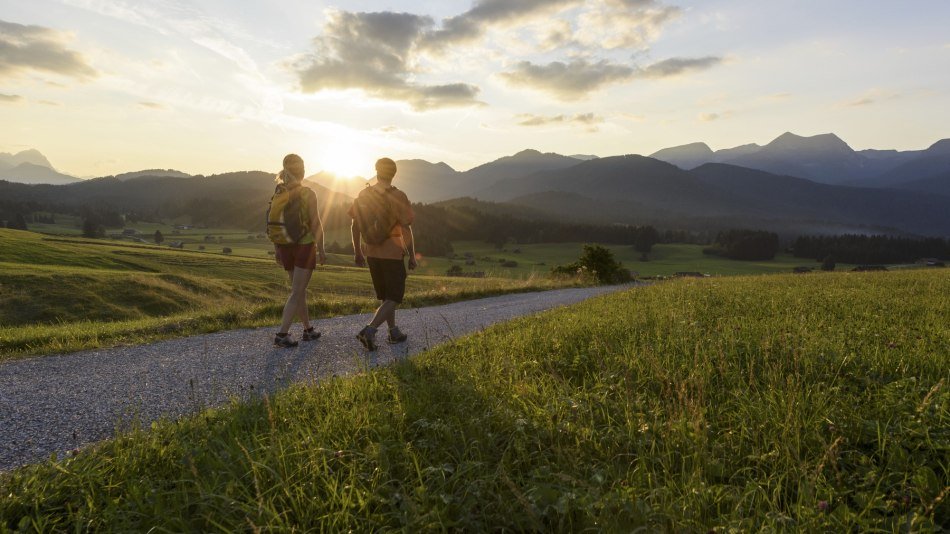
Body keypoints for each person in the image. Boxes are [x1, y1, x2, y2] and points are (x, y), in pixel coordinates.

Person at [350, 157, 416, 351]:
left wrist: (357, 252)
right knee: (394, 297)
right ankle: (369, 330)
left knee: (386, 296)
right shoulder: (399, 196)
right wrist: (412, 255)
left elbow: (355, 226)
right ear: (394, 174)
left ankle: (393, 332)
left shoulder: (364, 194)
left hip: (371, 252)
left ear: (376, 171)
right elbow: (407, 228)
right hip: (392, 253)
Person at [270, 153, 326, 348]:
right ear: (303, 171)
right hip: (304, 245)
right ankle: (282, 334)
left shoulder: (278, 193)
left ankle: (308, 330)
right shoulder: (307, 193)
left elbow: (275, 223)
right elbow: (316, 223)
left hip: (285, 246)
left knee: (299, 291)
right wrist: (321, 249)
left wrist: (277, 248)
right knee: (297, 292)